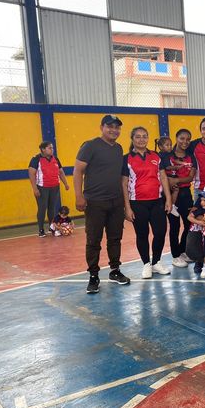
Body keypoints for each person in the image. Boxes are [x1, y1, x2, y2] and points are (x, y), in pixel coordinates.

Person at [73, 114, 130, 294]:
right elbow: (77, 171)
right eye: (109, 126)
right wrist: (79, 196)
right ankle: (93, 275)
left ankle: (115, 270)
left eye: (117, 127)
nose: (114, 130)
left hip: (115, 201)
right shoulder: (90, 146)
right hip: (95, 202)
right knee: (93, 240)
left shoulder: (118, 148)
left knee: (115, 238)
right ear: (101, 127)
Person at [122, 126, 172, 279]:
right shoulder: (126, 158)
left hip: (157, 201)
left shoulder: (156, 156)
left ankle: (156, 262)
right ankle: (146, 264)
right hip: (137, 203)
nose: (141, 139)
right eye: (138, 136)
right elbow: (124, 184)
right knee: (142, 234)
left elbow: (163, 177)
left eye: (144, 136)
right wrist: (127, 207)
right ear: (132, 139)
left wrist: (168, 199)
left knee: (160, 232)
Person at [163, 129, 197, 268]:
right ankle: (175, 256)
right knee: (175, 225)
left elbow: (190, 177)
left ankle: (182, 251)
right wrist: (171, 183)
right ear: (176, 138)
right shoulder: (167, 156)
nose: (185, 141)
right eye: (182, 138)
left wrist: (175, 180)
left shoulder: (191, 157)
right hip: (171, 194)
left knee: (189, 223)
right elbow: (163, 176)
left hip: (186, 193)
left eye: (188, 139)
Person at [28, 141, 69, 237]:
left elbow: (61, 172)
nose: (52, 150)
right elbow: (31, 174)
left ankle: (52, 227)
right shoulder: (36, 159)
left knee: (52, 208)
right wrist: (35, 189)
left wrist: (65, 183)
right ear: (43, 149)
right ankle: (41, 230)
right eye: (49, 148)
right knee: (42, 208)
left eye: (52, 148)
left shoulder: (55, 159)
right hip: (42, 188)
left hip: (54, 187)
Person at [156, 136, 180, 217]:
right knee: (175, 189)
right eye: (167, 145)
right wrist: (176, 167)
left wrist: (182, 163)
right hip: (167, 176)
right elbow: (167, 167)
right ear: (160, 147)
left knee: (175, 190)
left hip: (172, 176)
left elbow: (175, 160)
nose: (170, 147)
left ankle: (172, 204)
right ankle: (171, 205)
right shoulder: (163, 155)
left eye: (170, 145)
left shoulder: (170, 153)